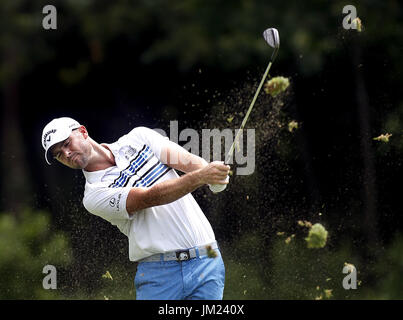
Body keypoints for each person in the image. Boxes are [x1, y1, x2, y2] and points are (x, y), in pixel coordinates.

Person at [41, 117, 230, 300]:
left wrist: (214, 176)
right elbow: (150, 197)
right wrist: (202, 177)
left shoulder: (139, 137)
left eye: (66, 144)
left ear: (83, 132)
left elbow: (188, 162)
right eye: (58, 154)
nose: (65, 154)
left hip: (207, 259)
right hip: (160, 274)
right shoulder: (93, 195)